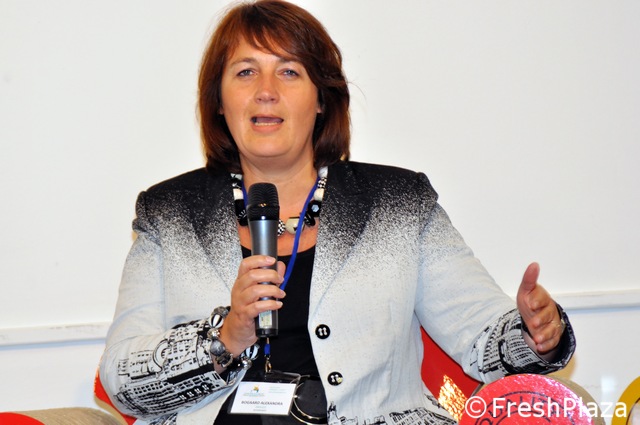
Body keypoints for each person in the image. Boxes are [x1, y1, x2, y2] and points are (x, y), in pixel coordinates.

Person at [99, 1, 576, 424]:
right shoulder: (169, 212)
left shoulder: (396, 201)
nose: (266, 90)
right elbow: (122, 380)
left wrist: (536, 334)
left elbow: (482, 339)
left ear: (321, 99)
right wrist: (225, 338)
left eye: (289, 72)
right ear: (219, 102)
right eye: (245, 72)